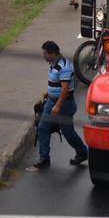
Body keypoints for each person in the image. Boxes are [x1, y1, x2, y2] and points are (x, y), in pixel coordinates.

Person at [26, 41, 88, 172]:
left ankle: (83, 152)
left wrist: (58, 106)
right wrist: (48, 92)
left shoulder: (63, 66)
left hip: (64, 104)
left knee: (68, 133)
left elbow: (65, 89)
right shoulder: (53, 64)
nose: (43, 56)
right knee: (42, 127)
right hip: (51, 101)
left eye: (45, 53)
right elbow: (57, 84)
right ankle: (44, 159)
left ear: (52, 53)